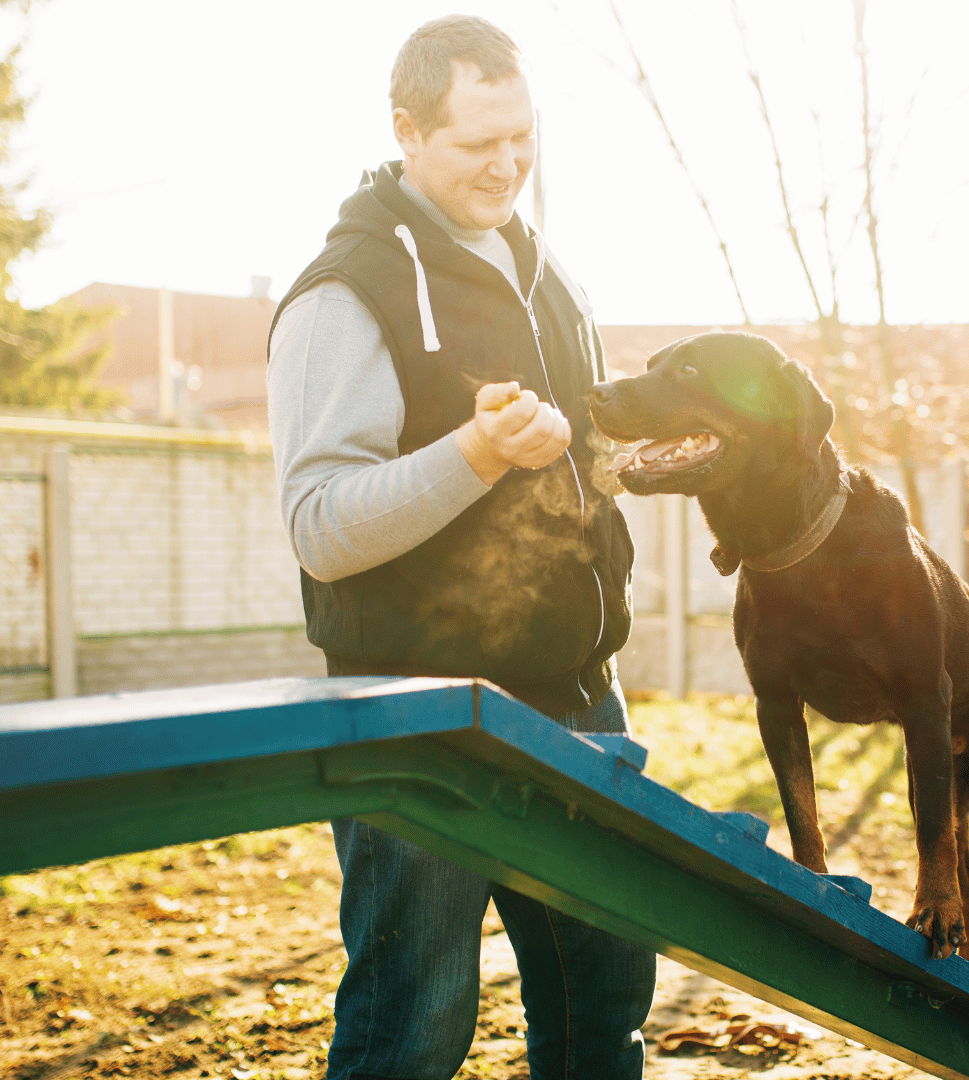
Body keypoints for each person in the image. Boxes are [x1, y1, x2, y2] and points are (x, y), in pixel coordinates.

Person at [264, 15, 654, 1080]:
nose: (510, 164)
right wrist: (474, 454)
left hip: (578, 701)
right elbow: (320, 528)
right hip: (415, 718)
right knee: (413, 1026)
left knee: (603, 1003)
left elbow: (585, 457)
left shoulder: (546, 268)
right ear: (406, 132)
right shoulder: (343, 293)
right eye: (480, 143)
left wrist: (637, 463)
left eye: (523, 136)